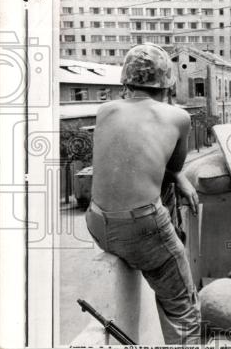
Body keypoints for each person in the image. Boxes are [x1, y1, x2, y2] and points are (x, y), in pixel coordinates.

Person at [86, 43, 201, 344]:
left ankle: (172, 243)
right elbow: (173, 165)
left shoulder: (105, 110)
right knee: (185, 312)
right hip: (142, 234)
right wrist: (181, 179)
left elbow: (159, 168)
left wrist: (177, 180)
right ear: (167, 85)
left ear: (126, 82)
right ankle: (175, 251)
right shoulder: (178, 117)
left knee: (165, 189)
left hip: (98, 224)